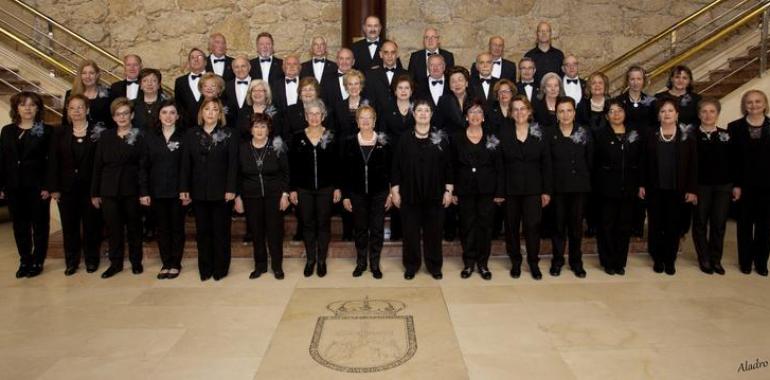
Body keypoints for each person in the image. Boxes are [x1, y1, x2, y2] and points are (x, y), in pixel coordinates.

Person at [391, 99, 453, 280]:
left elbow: (449, 167)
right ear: (414, 114)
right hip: (409, 194)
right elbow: (396, 167)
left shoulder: (440, 137)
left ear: (431, 115)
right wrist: (395, 191)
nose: (423, 113)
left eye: (427, 110)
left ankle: (434, 266)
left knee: (433, 232)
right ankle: (411, 265)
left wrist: (448, 191)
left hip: (435, 193)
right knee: (410, 232)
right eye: (419, 110)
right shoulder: (404, 138)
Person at [179, 98, 238, 281]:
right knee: (202, 232)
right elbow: (185, 164)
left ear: (220, 114)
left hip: (222, 191)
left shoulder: (230, 133)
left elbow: (233, 164)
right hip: (198, 191)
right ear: (201, 113)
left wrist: (231, 188)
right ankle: (205, 269)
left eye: (215, 109)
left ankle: (220, 268)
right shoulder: (191, 134)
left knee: (221, 232)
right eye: (207, 109)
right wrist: (184, 188)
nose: (211, 112)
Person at [639, 98, 698, 275]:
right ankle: (657, 258)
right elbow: (643, 162)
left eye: (670, 111)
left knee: (674, 225)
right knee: (656, 225)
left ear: (677, 114)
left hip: (677, 189)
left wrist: (691, 189)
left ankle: (670, 259)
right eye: (663, 111)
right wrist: (641, 184)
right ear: (658, 115)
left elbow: (693, 165)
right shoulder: (650, 134)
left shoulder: (687, 136)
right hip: (655, 188)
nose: (667, 114)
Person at [497, 95, 552, 280]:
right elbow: (500, 165)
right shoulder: (503, 133)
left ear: (529, 111)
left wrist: (546, 190)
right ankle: (516, 261)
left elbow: (546, 163)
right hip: (510, 189)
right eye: (516, 109)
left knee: (532, 226)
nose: (519, 113)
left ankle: (534, 262)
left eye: (523, 109)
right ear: (511, 113)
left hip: (533, 189)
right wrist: (500, 191)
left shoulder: (540, 132)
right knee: (511, 227)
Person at [48, 94, 103, 275]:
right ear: (68, 111)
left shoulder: (98, 132)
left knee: (91, 226)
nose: (76, 111)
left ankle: (91, 260)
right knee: (69, 227)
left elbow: (100, 163)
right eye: (72, 108)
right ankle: (71, 261)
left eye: (80, 107)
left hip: (90, 188)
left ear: (87, 110)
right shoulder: (59, 132)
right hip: (66, 189)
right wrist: (54, 188)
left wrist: (98, 189)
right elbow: (53, 162)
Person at [0, 91, 53, 278]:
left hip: (37, 187)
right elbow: (3, 160)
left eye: (32, 104)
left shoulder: (46, 131)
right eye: (23, 104)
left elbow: (50, 162)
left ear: (38, 108)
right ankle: (25, 260)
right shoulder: (7, 131)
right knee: (19, 226)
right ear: (17, 108)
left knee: (40, 225)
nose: (27, 108)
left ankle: (38, 260)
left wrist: (48, 186)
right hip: (13, 187)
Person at [91, 98, 145, 278]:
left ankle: (136, 262)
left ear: (132, 115)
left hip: (132, 188)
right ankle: (116, 263)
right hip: (109, 189)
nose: (122, 117)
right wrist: (95, 192)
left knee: (134, 227)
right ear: (113, 117)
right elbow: (97, 165)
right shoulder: (106, 136)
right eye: (118, 114)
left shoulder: (140, 136)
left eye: (125, 113)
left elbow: (144, 165)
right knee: (113, 228)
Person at [288, 99, 341, 278]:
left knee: (324, 224)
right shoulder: (297, 137)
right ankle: (310, 259)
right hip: (304, 189)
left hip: (326, 188)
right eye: (311, 114)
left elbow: (337, 165)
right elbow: (292, 166)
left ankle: (322, 261)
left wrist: (337, 187)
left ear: (323, 115)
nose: (314, 117)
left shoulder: (332, 135)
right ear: (305, 116)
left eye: (318, 113)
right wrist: (292, 189)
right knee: (308, 224)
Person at [234, 113, 289, 280]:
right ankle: (260, 266)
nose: (259, 130)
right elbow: (236, 175)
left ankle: (277, 266)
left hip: (274, 196)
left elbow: (286, 173)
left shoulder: (277, 146)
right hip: (251, 196)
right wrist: (238, 197)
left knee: (275, 232)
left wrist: (285, 194)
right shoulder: (242, 148)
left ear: (268, 129)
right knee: (256, 232)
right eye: (256, 126)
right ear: (250, 129)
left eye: (263, 126)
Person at [340, 105, 392, 279]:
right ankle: (361, 262)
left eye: (369, 117)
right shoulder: (349, 142)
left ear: (374, 121)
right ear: (357, 121)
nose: (366, 121)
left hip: (379, 193)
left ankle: (375, 264)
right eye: (362, 117)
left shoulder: (384, 142)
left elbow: (390, 170)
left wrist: (390, 194)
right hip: (357, 193)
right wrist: (346, 195)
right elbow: (344, 172)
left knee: (377, 229)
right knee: (360, 229)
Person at [593, 99, 643, 275]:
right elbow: (594, 163)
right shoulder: (599, 135)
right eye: (612, 111)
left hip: (629, 186)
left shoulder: (635, 134)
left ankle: (620, 261)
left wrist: (640, 184)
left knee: (624, 226)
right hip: (606, 188)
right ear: (606, 115)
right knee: (606, 225)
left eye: (619, 110)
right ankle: (607, 261)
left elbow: (641, 161)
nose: (616, 114)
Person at [139, 100, 186, 280]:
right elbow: (143, 166)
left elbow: (187, 166)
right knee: (162, 229)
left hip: (178, 191)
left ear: (178, 116)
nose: (168, 116)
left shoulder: (184, 136)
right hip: (156, 190)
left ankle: (175, 262)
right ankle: (166, 262)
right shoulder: (150, 137)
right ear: (159, 115)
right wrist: (144, 192)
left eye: (172, 112)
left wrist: (186, 190)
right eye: (164, 112)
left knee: (176, 228)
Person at [451, 100, 499, 280]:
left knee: (485, 227)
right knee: (467, 226)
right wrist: (453, 190)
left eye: (479, 112)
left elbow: (498, 165)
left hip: (487, 190)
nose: (475, 115)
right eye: (471, 112)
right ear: (466, 116)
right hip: (464, 190)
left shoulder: (492, 137)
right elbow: (452, 166)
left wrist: (499, 191)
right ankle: (469, 263)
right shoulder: (456, 138)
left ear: (483, 117)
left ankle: (483, 264)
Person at [547, 97, 592, 278]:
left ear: (574, 112)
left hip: (578, 187)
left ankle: (576, 262)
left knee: (576, 228)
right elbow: (547, 164)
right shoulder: (549, 133)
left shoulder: (584, 132)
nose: (565, 115)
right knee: (558, 227)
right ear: (556, 114)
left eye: (569, 111)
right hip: (558, 188)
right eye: (561, 111)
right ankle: (557, 261)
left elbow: (590, 160)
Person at [693, 98, 738, 275]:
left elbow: (735, 162)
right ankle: (703, 257)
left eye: (712, 111)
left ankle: (716, 259)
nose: (708, 115)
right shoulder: (691, 136)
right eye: (704, 111)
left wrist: (736, 185)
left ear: (717, 114)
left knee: (719, 223)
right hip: (701, 186)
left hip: (723, 186)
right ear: (699, 114)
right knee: (700, 222)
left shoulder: (726, 135)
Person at [728, 89, 770, 276]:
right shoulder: (734, 127)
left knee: (765, 226)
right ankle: (745, 261)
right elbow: (733, 160)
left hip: (768, 185)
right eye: (749, 102)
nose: (754, 105)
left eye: (757, 101)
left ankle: (761, 262)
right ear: (744, 106)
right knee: (744, 225)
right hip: (743, 185)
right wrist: (735, 185)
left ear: (765, 104)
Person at [617, 65, 657, 238]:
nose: (635, 82)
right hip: (624, 150)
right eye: (632, 79)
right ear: (628, 80)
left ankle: (638, 226)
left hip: (644, 150)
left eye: (638, 78)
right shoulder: (619, 101)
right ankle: (624, 225)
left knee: (642, 187)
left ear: (644, 80)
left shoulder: (652, 102)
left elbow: (655, 126)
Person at [377, 74, 416, 241]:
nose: (403, 91)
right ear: (395, 90)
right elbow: (382, 135)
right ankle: (396, 232)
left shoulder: (418, 109)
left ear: (411, 90)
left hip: (414, 158)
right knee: (396, 193)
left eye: (407, 88)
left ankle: (411, 231)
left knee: (412, 193)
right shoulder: (386, 109)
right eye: (400, 88)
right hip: (392, 158)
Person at [63, 60, 111, 128]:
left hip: (103, 136)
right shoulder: (70, 94)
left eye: (91, 73)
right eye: (84, 73)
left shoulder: (108, 94)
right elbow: (65, 122)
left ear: (97, 75)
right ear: (80, 75)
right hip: (76, 135)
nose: (87, 76)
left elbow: (112, 121)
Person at [365, 40, 408, 107]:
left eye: (393, 52)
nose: (389, 56)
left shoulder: (407, 75)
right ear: (381, 54)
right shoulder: (370, 75)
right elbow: (369, 99)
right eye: (386, 52)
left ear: (397, 54)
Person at [335, 69, 374, 139]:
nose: (353, 87)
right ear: (346, 87)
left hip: (364, 145)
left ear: (361, 85)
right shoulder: (339, 106)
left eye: (356, 84)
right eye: (350, 84)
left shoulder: (370, 105)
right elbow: (337, 131)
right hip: (344, 146)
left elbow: (374, 129)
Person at [174, 48, 207, 129]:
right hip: (186, 129)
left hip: (210, 127)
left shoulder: (215, 79)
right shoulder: (180, 82)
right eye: (192, 57)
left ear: (205, 62)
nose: (196, 59)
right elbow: (178, 106)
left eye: (199, 57)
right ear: (188, 63)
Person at [224, 56, 253, 128]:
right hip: (232, 128)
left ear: (249, 68)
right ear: (233, 70)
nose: (240, 69)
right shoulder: (226, 86)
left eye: (243, 66)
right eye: (236, 67)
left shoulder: (258, 84)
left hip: (253, 128)